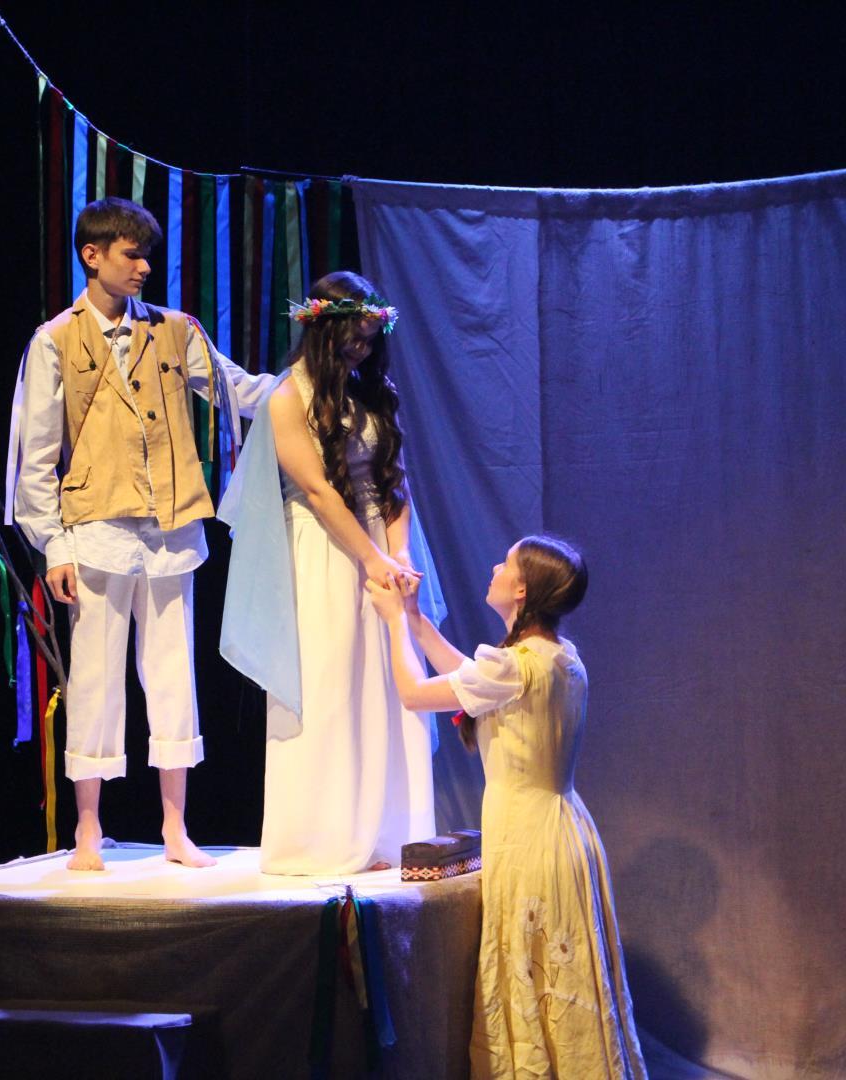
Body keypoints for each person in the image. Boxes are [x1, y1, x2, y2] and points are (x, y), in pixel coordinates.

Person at [7, 196, 275, 871]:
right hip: (95, 529)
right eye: (131, 254)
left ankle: (175, 828)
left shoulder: (175, 330)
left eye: (147, 255)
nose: (144, 267)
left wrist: (311, 383)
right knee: (95, 679)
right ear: (92, 255)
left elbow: (239, 391)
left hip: (170, 527)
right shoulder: (53, 341)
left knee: (173, 675)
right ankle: (88, 827)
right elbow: (35, 458)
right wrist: (54, 546)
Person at [365, 536, 647, 1078]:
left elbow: (416, 694)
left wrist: (395, 623)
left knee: (537, 970)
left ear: (521, 589)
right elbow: (469, 681)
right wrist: (415, 619)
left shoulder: (516, 666)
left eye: (507, 563)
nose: (495, 566)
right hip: (563, 831)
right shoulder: (557, 657)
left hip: (528, 838)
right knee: (556, 974)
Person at [217, 271, 440, 875]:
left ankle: (388, 832)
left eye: (369, 339)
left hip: (377, 545)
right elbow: (317, 491)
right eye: (353, 338)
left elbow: (394, 482)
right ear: (324, 332)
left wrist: (401, 555)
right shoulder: (288, 397)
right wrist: (373, 560)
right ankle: (322, 836)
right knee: (331, 679)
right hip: (323, 550)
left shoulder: (372, 393)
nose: (361, 349)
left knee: (387, 678)